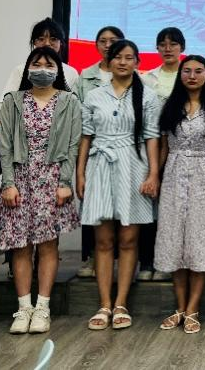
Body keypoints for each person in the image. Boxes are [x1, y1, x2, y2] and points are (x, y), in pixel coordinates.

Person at [0, 47, 81, 334]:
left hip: (52, 180)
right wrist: (8, 184)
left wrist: (65, 183)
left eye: (49, 64)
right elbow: (5, 146)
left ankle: (42, 308)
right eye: (36, 63)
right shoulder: (13, 101)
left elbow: (72, 145)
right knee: (20, 246)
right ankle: (23, 309)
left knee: (48, 245)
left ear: (58, 70)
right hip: (19, 179)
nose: (42, 68)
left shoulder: (69, 101)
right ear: (27, 69)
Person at [77, 40, 161, 331]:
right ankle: (104, 304)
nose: (123, 62)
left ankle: (121, 302)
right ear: (109, 61)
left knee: (128, 240)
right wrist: (80, 174)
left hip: (133, 166)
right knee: (103, 241)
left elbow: (152, 137)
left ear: (137, 62)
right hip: (99, 165)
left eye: (129, 58)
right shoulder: (94, 95)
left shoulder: (147, 96)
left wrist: (153, 174)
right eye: (118, 57)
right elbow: (86, 136)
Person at [155, 55, 205, 334]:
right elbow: (164, 147)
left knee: (201, 240)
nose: (192, 76)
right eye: (187, 71)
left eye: (198, 71)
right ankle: (179, 307)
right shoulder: (170, 104)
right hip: (174, 175)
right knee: (174, 239)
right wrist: (155, 176)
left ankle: (193, 308)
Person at [75, 25, 125, 279]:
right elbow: (79, 118)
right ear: (96, 45)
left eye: (113, 40)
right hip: (95, 149)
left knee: (122, 211)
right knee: (93, 207)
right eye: (103, 40)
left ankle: (120, 259)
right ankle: (91, 256)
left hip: (124, 151)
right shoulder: (86, 76)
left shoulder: (135, 77)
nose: (108, 45)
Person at [139, 26, 186, 282]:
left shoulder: (189, 74)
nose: (168, 49)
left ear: (182, 47)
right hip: (153, 147)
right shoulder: (147, 79)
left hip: (181, 150)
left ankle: (173, 262)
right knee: (151, 207)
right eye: (163, 44)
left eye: (173, 44)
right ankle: (148, 262)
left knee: (175, 211)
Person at [0, 18, 80, 98]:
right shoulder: (20, 70)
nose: (47, 43)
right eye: (41, 39)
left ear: (61, 42)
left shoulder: (71, 72)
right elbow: (5, 101)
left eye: (53, 39)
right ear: (34, 42)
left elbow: (75, 102)